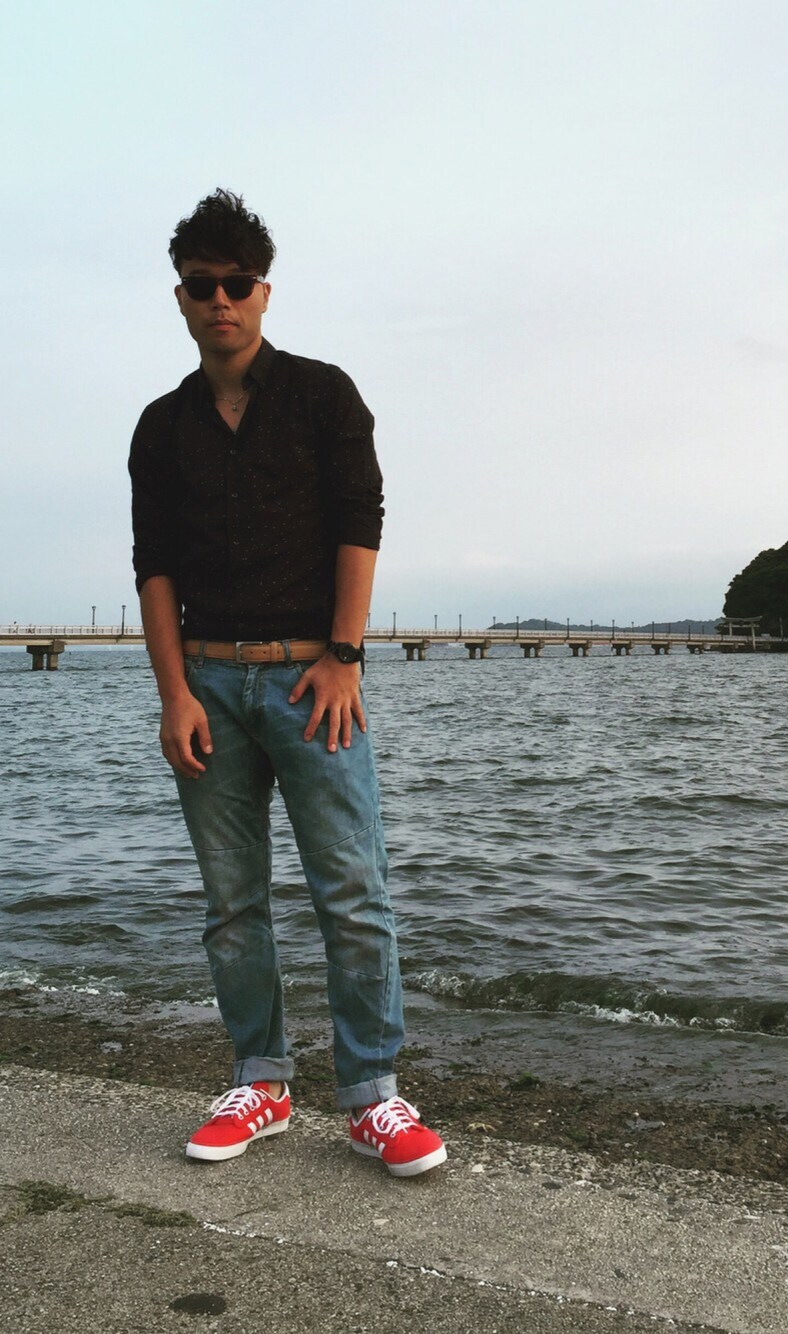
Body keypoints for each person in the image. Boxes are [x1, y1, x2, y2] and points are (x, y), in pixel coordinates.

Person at [128, 188, 445, 1178]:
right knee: (231, 900)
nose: (220, 299)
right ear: (180, 297)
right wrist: (174, 693)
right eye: (201, 285)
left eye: (237, 282)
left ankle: (373, 1094)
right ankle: (260, 1081)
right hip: (207, 685)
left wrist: (344, 655)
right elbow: (154, 567)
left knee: (352, 888)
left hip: (314, 681)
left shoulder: (323, 395)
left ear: (264, 291)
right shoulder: (160, 426)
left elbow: (361, 519)